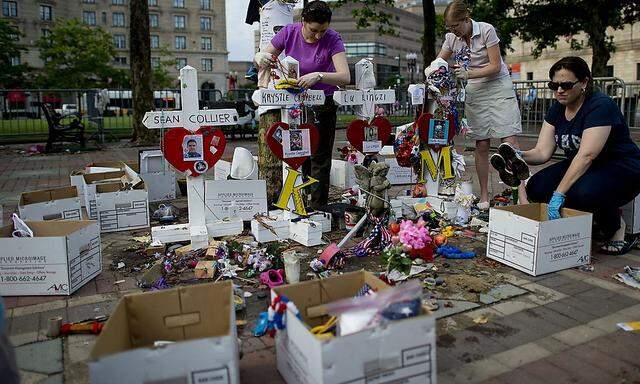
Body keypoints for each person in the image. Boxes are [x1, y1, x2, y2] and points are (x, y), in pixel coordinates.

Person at [518, 56, 640, 255]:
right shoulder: (557, 108)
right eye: (554, 85)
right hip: (588, 167)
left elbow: (587, 155)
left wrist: (559, 194)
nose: (559, 91)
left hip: (621, 167)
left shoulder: (600, 105)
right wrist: (518, 155)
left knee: (582, 192)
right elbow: (542, 152)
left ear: (583, 82)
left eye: (565, 85)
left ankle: (617, 227)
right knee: (537, 187)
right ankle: (587, 221)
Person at [254, 0, 350, 209]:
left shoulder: (332, 38)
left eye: (322, 31)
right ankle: (299, 202)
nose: (318, 36)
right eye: (314, 30)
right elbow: (264, 57)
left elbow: (344, 77)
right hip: (294, 104)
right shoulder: (289, 32)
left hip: (323, 102)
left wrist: (319, 75)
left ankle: (318, 207)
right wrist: (261, 57)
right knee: (298, 154)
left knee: (320, 157)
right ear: (303, 21)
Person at [435, 0, 526, 209]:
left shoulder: (486, 30)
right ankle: (484, 195)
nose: (453, 31)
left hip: (497, 85)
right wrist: (434, 71)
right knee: (482, 144)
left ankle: (522, 196)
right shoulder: (451, 39)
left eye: (456, 26)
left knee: (510, 142)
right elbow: (439, 62)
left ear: (466, 19)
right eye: (449, 27)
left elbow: (495, 66)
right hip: (475, 90)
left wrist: (469, 73)